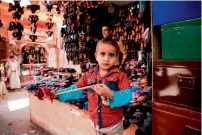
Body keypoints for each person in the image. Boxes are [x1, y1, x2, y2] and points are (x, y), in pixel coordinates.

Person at [56, 38, 132, 135]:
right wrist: (58, 95)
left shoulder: (120, 76)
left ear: (116, 57)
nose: (106, 59)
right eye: (102, 54)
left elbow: (127, 96)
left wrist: (110, 94)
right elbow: (76, 89)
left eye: (111, 55)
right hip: (95, 124)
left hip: (114, 127)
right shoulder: (89, 75)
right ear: (96, 56)